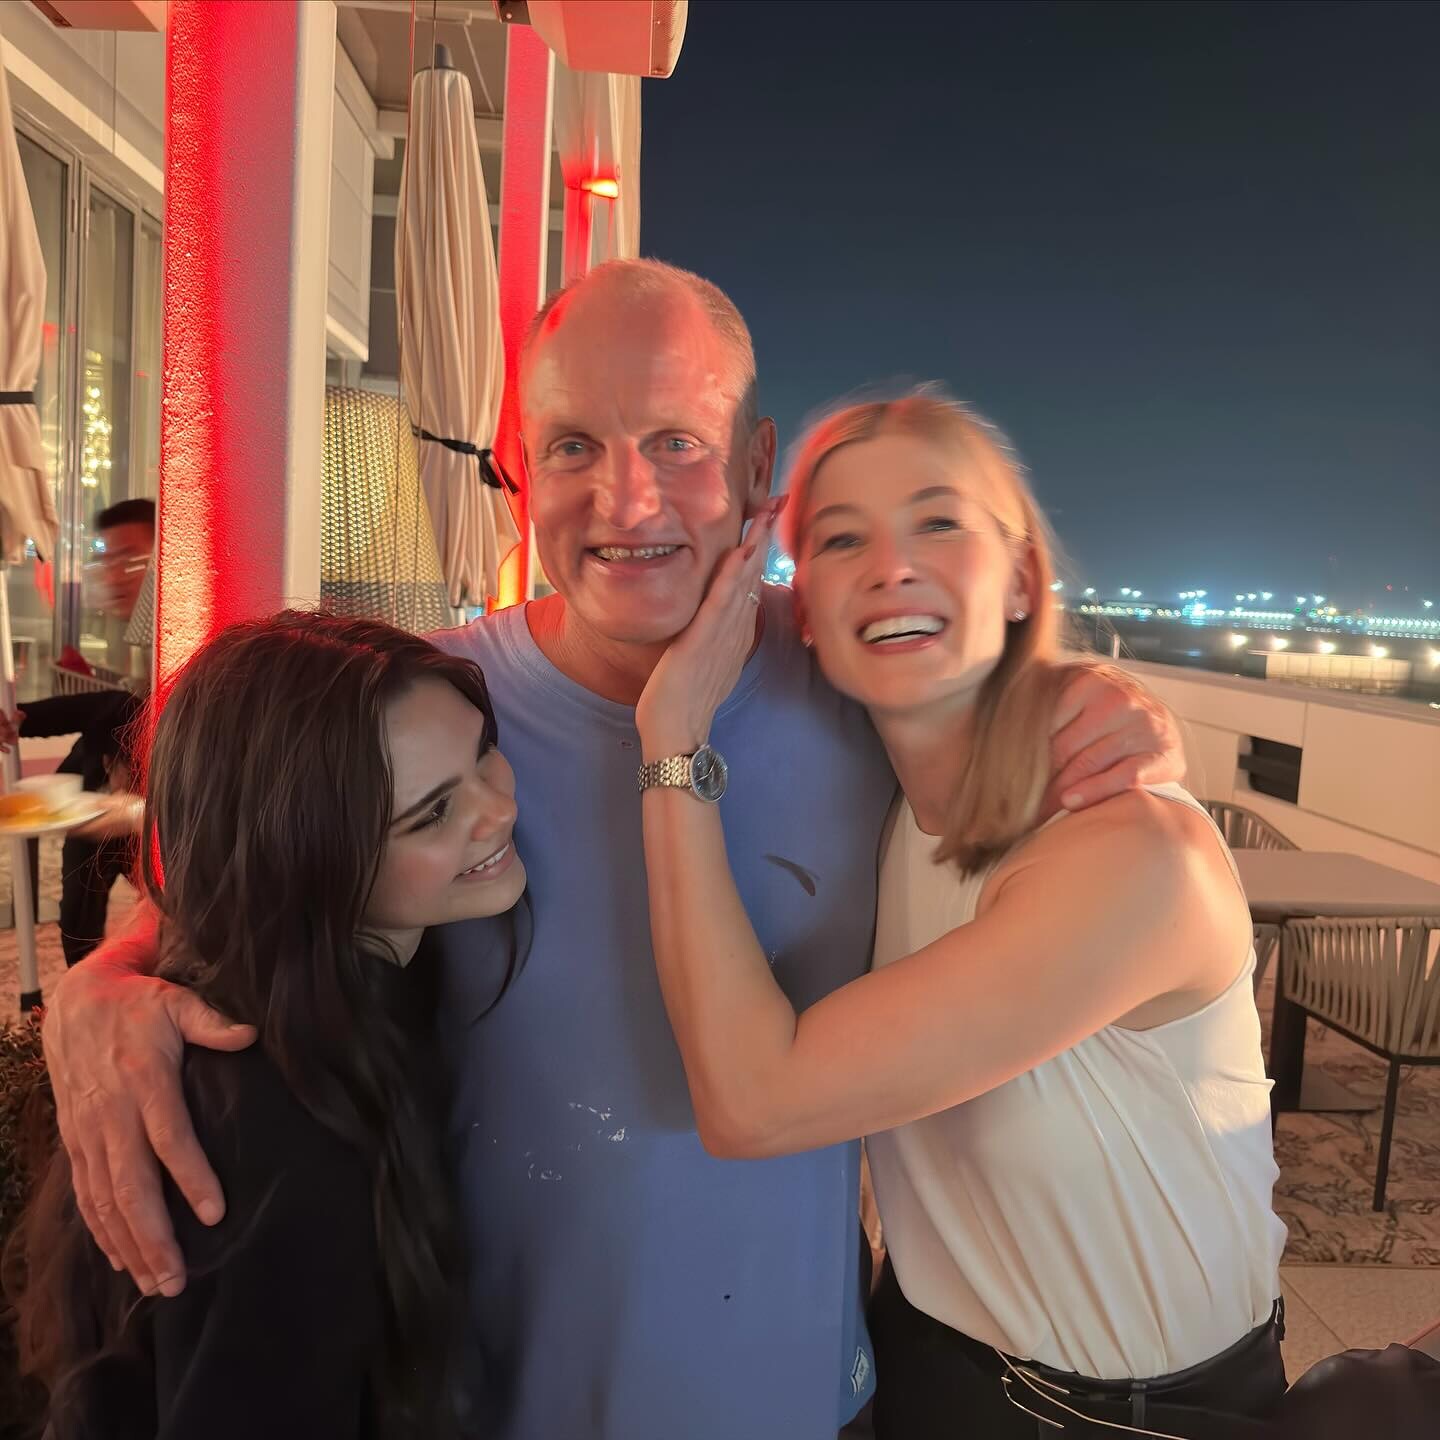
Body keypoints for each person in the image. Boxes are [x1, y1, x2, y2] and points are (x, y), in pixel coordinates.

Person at [39, 261, 1187, 1440]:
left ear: (757, 466)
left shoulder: (856, 678)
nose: (627, 503)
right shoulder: (424, 711)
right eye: (575, 447)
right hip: (482, 1402)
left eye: (677, 444)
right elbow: (246, 891)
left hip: (796, 1396)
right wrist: (107, 983)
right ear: (520, 468)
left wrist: (1111, 708)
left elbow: (999, 690)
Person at [634, 391, 1288, 1439]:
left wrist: (672, 742)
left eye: (938, 521)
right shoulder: (879, 804)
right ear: (807, 613)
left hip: (1133, 1417)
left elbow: (752, 1104)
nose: (892, 566)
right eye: (842, 538)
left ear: (1023, 576)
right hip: (923, 1363)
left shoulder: (1127, 855)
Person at [9, 611, 526, 1438]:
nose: (497, 810)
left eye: (484, 753)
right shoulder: (280, 1123)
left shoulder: (331, 1010)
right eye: (432, 813)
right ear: (304, 850)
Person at [3, 498, 157, 965]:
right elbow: (104, 708)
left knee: (168, 922)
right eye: (107, 559)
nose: (115, 575)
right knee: (79, 921)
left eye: (131, 560)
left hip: (153, 814)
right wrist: (21, 717)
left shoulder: (189, 632)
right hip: (100, 801)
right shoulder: (136, 641)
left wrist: (139, 810)